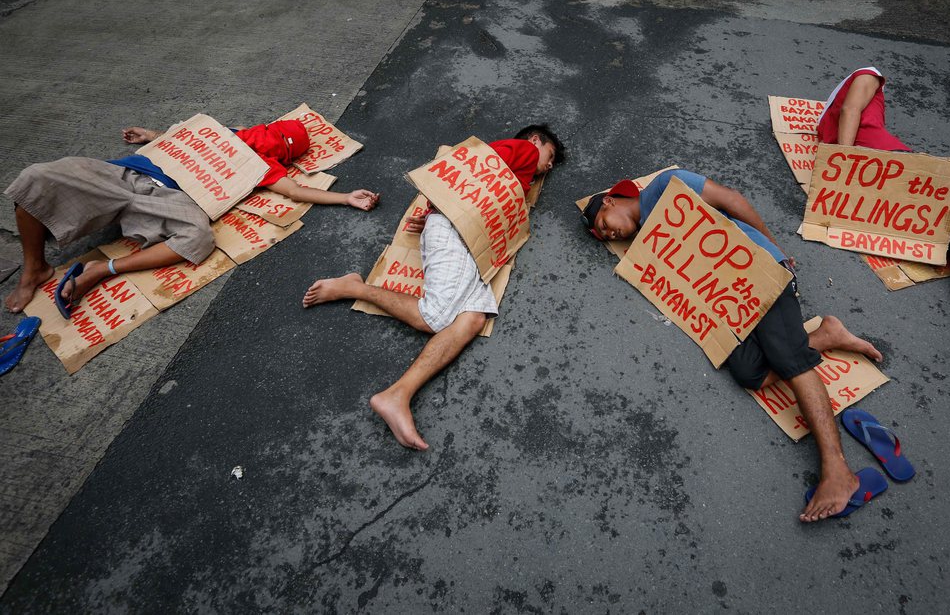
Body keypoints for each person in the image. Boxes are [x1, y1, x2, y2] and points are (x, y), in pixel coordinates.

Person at [581, 168, 884, 522]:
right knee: (748, 372)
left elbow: (731, 199)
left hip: (760, 270)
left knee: (788, 359)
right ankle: (826, 335)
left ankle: (837, 470)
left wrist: (776, 255)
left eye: (603, 223)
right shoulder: (646, 245)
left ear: (610, 200)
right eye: (603, 237)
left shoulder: (665, 187)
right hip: (729, 300)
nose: (609, 233)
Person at [302, 124, 564, 451]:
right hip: (457, 233)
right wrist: (442, 210)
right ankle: (356, 287)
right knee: (435, 317)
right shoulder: (522, 150)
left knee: (472, 318)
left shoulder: (518, 168)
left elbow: (472, 188)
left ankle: (398, 395)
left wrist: (439, 211)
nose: (549, 166)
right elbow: (474, 171)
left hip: (466, 239)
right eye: (550, 156)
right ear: (535, 141)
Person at [4, 119, 380, 315]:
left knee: (198, 237)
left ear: (282, 157)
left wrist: (346, 197)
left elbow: (297, 191)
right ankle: (34, 268)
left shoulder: (260, 167)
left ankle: (104, 270)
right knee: (35, 180)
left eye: (282, 147)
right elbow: (181, 140)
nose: (272, 143)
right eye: (275, 135)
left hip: (166, 198)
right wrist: (150, 134)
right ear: (265, 128)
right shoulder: (224, 132)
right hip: (124, 172)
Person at [818, 67, 950, 363]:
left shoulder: (826, 121)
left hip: (873, 173)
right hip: (885, 164)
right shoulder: (868, 74)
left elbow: (847, 112)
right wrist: (848, 169)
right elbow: (851, 109)